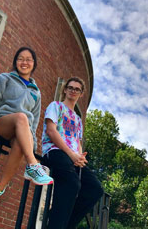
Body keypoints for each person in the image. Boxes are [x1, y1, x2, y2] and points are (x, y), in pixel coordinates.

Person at [0, 47, 53, 211]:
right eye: (20, 58)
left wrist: (31, 145)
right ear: (15, 62)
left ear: (34, 64)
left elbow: (34, 121)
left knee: (22, 138)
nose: (24, 62)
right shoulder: (5, 78)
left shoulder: (37, 92)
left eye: (28, 59)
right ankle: (32, 165)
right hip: (2, 123)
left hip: (21, 129)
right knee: (21, 117)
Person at [41, 77, 104, 229]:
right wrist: (71, 154)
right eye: (70, 87)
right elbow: (51, 131)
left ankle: (66, 224)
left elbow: (78, 142)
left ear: (81, 93)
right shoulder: (55, 106)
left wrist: (80, 157)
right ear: (65, 89)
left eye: (77, 89)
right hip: (55, 151)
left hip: (72, 157)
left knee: (95, 189)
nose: (73, 91)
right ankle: (55, 224)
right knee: (72, 183)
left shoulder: (77, 119)